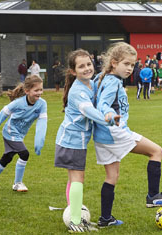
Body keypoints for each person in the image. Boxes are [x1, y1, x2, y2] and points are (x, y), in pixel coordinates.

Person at [93, 42, 162, 228]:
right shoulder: (113, 81)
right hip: (115, 132)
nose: (130, 68)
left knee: (112, 177)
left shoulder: (102, 77)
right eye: (127, 64)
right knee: (156, 151)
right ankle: (153, 196)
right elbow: (102, 105)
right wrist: (108, 113)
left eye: (133, 65)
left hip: (101, 137)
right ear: (114, 63)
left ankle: (105, 219)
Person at [54, 49, 119, 233]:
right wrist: (107, 119)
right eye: (81, 66)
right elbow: (88, 110)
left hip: (76, 140)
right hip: (71, 140)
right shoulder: (77, 91)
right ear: (73, 71)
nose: (87, 68)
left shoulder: (91, 84)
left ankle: (75, 215)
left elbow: (104, 80)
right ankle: (75, 221)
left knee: (74, 178)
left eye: (89, 64)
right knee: (77, 179)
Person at [0, 75, 47, 193]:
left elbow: (42, 123)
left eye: (41, 89)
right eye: (36, 90)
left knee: (7, 158)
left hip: (20, 135)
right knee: (24, 154)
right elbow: (3, 113)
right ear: (27, 91)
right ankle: (17, 183)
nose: (39, 92)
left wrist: (39, 141)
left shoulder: (42, 104)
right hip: (10, 132)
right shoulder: (18, 103)